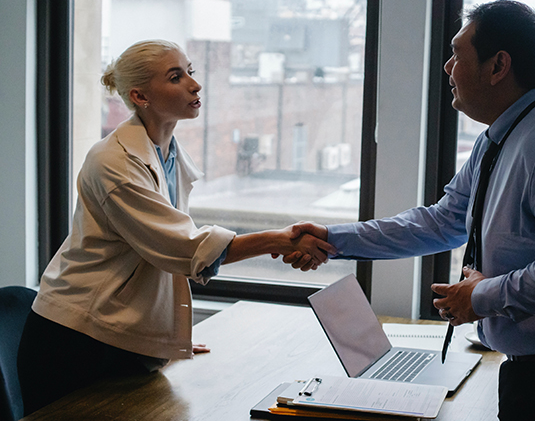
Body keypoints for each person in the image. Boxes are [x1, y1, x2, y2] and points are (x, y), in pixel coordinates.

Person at [288, 0, 535, 421]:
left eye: (458, 54)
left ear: (498, 66)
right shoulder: (504, 134)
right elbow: (444, 221)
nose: (447, 68)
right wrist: (333, 241)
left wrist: (482, 296)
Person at [17, 40, 335, 416]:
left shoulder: (165, 152)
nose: (194, 85)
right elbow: (182, 247)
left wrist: (167, 336)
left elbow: (162, 253)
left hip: (117, 335)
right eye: (176, 76)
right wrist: (277, 240)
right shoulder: (113, 163)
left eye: (190, 72)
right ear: (140, 95)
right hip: (76, 340)